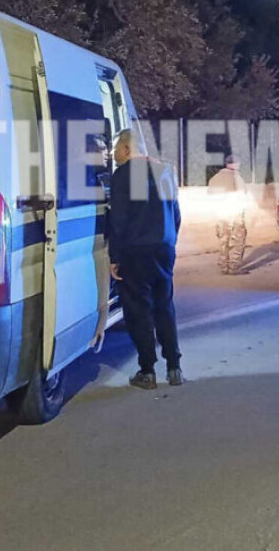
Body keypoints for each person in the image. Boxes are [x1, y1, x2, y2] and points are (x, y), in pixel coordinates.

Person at [108, 129, 184, 389]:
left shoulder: (122, 175)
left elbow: (118, 220)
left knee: (138, 310)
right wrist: (169, 242)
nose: (113, 154)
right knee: (165, 306)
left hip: (135, 251)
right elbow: (176, 214)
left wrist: (115, 257)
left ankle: (148, 370)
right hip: (164, 248)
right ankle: (174, 368)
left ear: (127, 149)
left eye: (116, 149)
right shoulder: (165, 171)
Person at [207, 154, 249, 275]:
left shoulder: (214, 178)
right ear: (236, 164)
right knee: (238, 239)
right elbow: (242, 194)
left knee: (223, 240)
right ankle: (234, 266)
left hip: (220, 213)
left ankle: (223, 266)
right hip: (234, 213)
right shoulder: (236, 177)